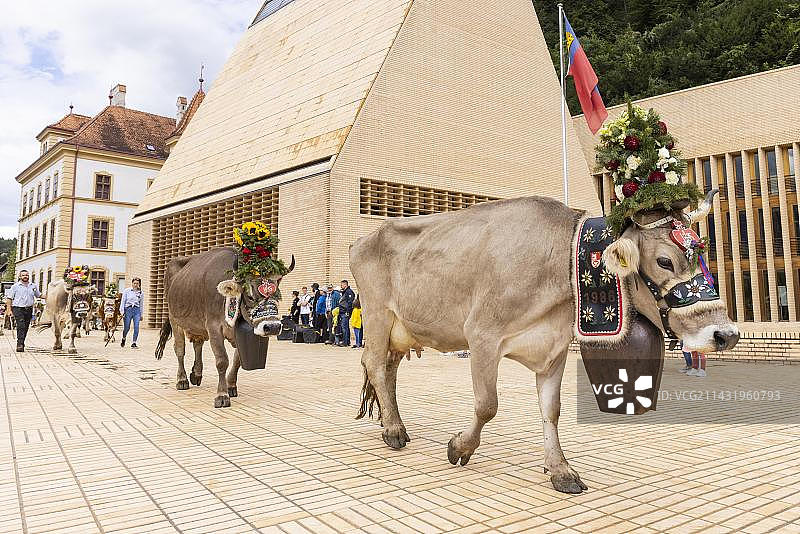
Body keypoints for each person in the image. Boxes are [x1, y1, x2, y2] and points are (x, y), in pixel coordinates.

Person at [5, 270, 41, 352]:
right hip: (18, 309)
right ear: (20, 277)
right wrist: (9, 310)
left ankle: (22, 342)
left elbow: (39, 295)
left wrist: (51, 295)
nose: (25, 276)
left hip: (28, 309)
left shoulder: (33, 286)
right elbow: (9, 298)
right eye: (23, 275)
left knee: (26, 327)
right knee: (21, 326)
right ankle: (20, 344)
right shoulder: (15, 286)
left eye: (27, 275)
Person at [119, 278, 144, 348]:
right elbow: (123, 302)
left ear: (139, 284)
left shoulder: (141, 293)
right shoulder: (127, 291)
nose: (136, 285)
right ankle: (124, 338)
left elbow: (141, 304)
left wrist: (141, 314)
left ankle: (134, 342)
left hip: (137, 310)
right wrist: (122, 311)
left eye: (137, 283)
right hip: (128, 310)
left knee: (136, 327)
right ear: (132, 283)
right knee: (127, 327)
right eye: (134, 283)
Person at [338, 280, 355, 347]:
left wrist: (348, 312)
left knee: (345, 327)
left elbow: (350, 303)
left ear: (345, 285)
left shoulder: (349, 292)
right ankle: (346, 341)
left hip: (345, 312)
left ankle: (345, 342)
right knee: (345, 327)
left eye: (342, 285)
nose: (341, 286)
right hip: (342, 311)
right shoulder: (345, 292)